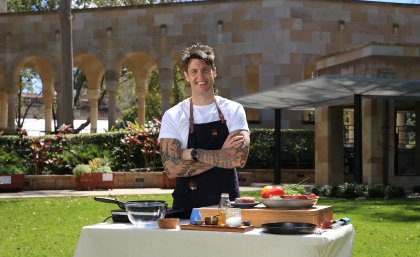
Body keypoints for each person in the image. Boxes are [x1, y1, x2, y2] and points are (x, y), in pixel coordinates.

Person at [158, 43, 250, 218]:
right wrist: (222, 155)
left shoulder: (233, 109)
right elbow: (171, 168)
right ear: (186, 76)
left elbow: (239, 158)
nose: (200, 76)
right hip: (187, 207)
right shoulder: (173, 115)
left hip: (226, 207)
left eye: (205, 70)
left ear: (214, 72)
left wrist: (192, 153)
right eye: (194, 71)